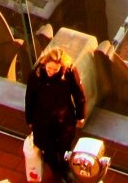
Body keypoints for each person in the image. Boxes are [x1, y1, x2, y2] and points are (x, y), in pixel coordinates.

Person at [25, 49, 87, 183]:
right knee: (49, 150)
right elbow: (30, 97)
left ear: (62, 66)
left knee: (64, 147)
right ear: (45, 63)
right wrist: (29, 119)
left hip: (63, 120)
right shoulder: (36, 74)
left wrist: (80, 115)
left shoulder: (69, 72)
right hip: (43, 120)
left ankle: (65, 170)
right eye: (49, 68)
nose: (51, 72)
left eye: (55, 69)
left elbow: (79, 95)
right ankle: (58, 173)